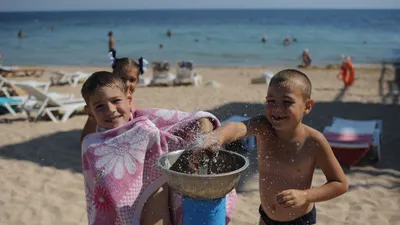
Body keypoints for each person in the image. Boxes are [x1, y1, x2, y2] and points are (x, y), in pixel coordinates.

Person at [80, 59, 222, 225]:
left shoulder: (145, 120)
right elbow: (95, 192)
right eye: (99, 107)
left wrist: (204, 136)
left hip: (155, 204)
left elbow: (196, 119)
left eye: (116, 101)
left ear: (128, 98)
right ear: (89, 111)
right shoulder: (91, 144)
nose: (110, 110)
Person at [198, 69, 348, 225]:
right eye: (271, 101)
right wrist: (217, 137)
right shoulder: (263, 127)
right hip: (266, 217)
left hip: (299, 220)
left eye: (287, 102)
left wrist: (305, 196)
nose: (277, 108)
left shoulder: (314, 141)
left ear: (307, 106)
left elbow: (339, 183)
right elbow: (237, 128)